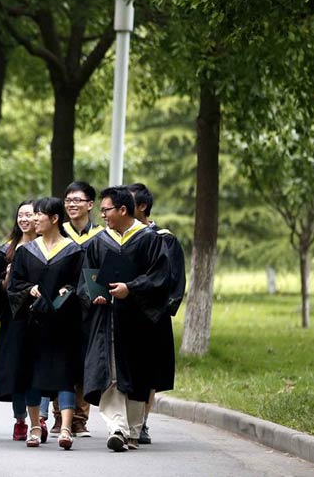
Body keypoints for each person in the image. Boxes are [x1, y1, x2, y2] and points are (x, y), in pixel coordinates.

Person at [81, 186, 171, 452]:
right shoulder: (99, 241)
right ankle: (117, 428)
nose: (102, 214)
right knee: (111, 372)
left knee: (138, 373)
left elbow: (160, 277)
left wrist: (130, 288)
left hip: (140, 318)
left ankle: (132, 430)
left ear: (122, 210)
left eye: (106, 209)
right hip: (108, 317)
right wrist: (93, 295)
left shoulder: (150, 240)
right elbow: (87, 277)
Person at [8, 197, 85, 450]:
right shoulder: (25, 251)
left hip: (63, 324)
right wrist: (29, 290)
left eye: (39, 215)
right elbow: (14, 285)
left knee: (64, 374)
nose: (33, 219)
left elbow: (80, 283)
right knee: (32, 375)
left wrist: (68, 290)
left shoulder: (74, 251)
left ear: (54, 219)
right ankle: (34, 427)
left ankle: (65, 428)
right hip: (33, 323)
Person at [128, 183, 186, 445]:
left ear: (141, 206)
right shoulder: (119, 236)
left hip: (153, 316)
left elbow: (174, 280)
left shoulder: (165, 238)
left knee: (150, 371)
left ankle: (142, 422)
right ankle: (126, 421)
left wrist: (162, 309)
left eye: (127, 202)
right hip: (125, 312)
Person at [47, 181, 102, 437]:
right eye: (68, 200)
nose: (71, 204)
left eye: (77, 200)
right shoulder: (58, 233)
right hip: (61, 307)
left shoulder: (101, 236)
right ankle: (60, 417)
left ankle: (80, 418)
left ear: (90, 205)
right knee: (61, 360)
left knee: (83, 361)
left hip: (89, 308)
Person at [0, 200, 40, 442]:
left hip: (40, 316)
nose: (25, 219)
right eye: (21, 215)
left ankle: (40, 419)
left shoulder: (49, 248)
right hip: (13, 318)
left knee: (39, 369)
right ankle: (20, 419)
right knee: (17, 369)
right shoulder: (6, 250)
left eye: (30, 214)